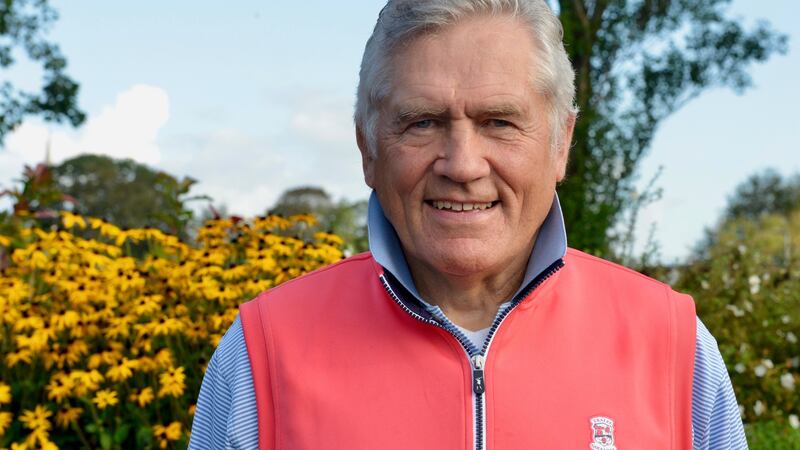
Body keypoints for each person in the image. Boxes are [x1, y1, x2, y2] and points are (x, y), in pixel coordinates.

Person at [189, 1, 747, 449]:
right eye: (423, 122)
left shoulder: (674, 345)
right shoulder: (262, 351)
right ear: (367, 147)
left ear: (561, 144)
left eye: (499, 122)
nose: (461, 165)